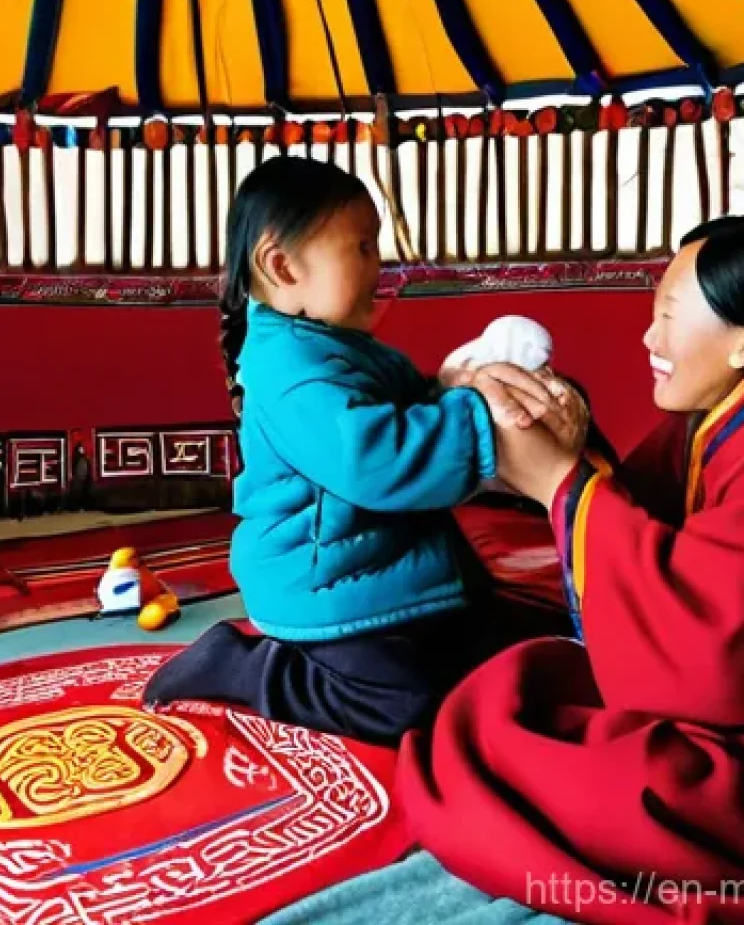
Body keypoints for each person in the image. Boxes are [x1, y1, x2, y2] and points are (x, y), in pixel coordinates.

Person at [143, 156, 584, 746]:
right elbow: (374, 460)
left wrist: (452, 385)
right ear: (282, 265)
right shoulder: (290, 371)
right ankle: (245, 665)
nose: (380, 264)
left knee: (500, 648)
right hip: (327, 586)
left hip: (386, 563)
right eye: (363, 247)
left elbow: (405, 408)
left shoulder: (338, 347)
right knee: (406, 705)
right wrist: (480, 416)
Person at [395, 217, 744, 924]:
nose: (649, 340)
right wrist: (570, 453)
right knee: (516, 684)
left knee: (564, 764)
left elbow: (712, 637)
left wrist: (560, 479)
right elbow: (639, 514)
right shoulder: (711, 422)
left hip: (724, 720)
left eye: (669, 318)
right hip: (688, 684)